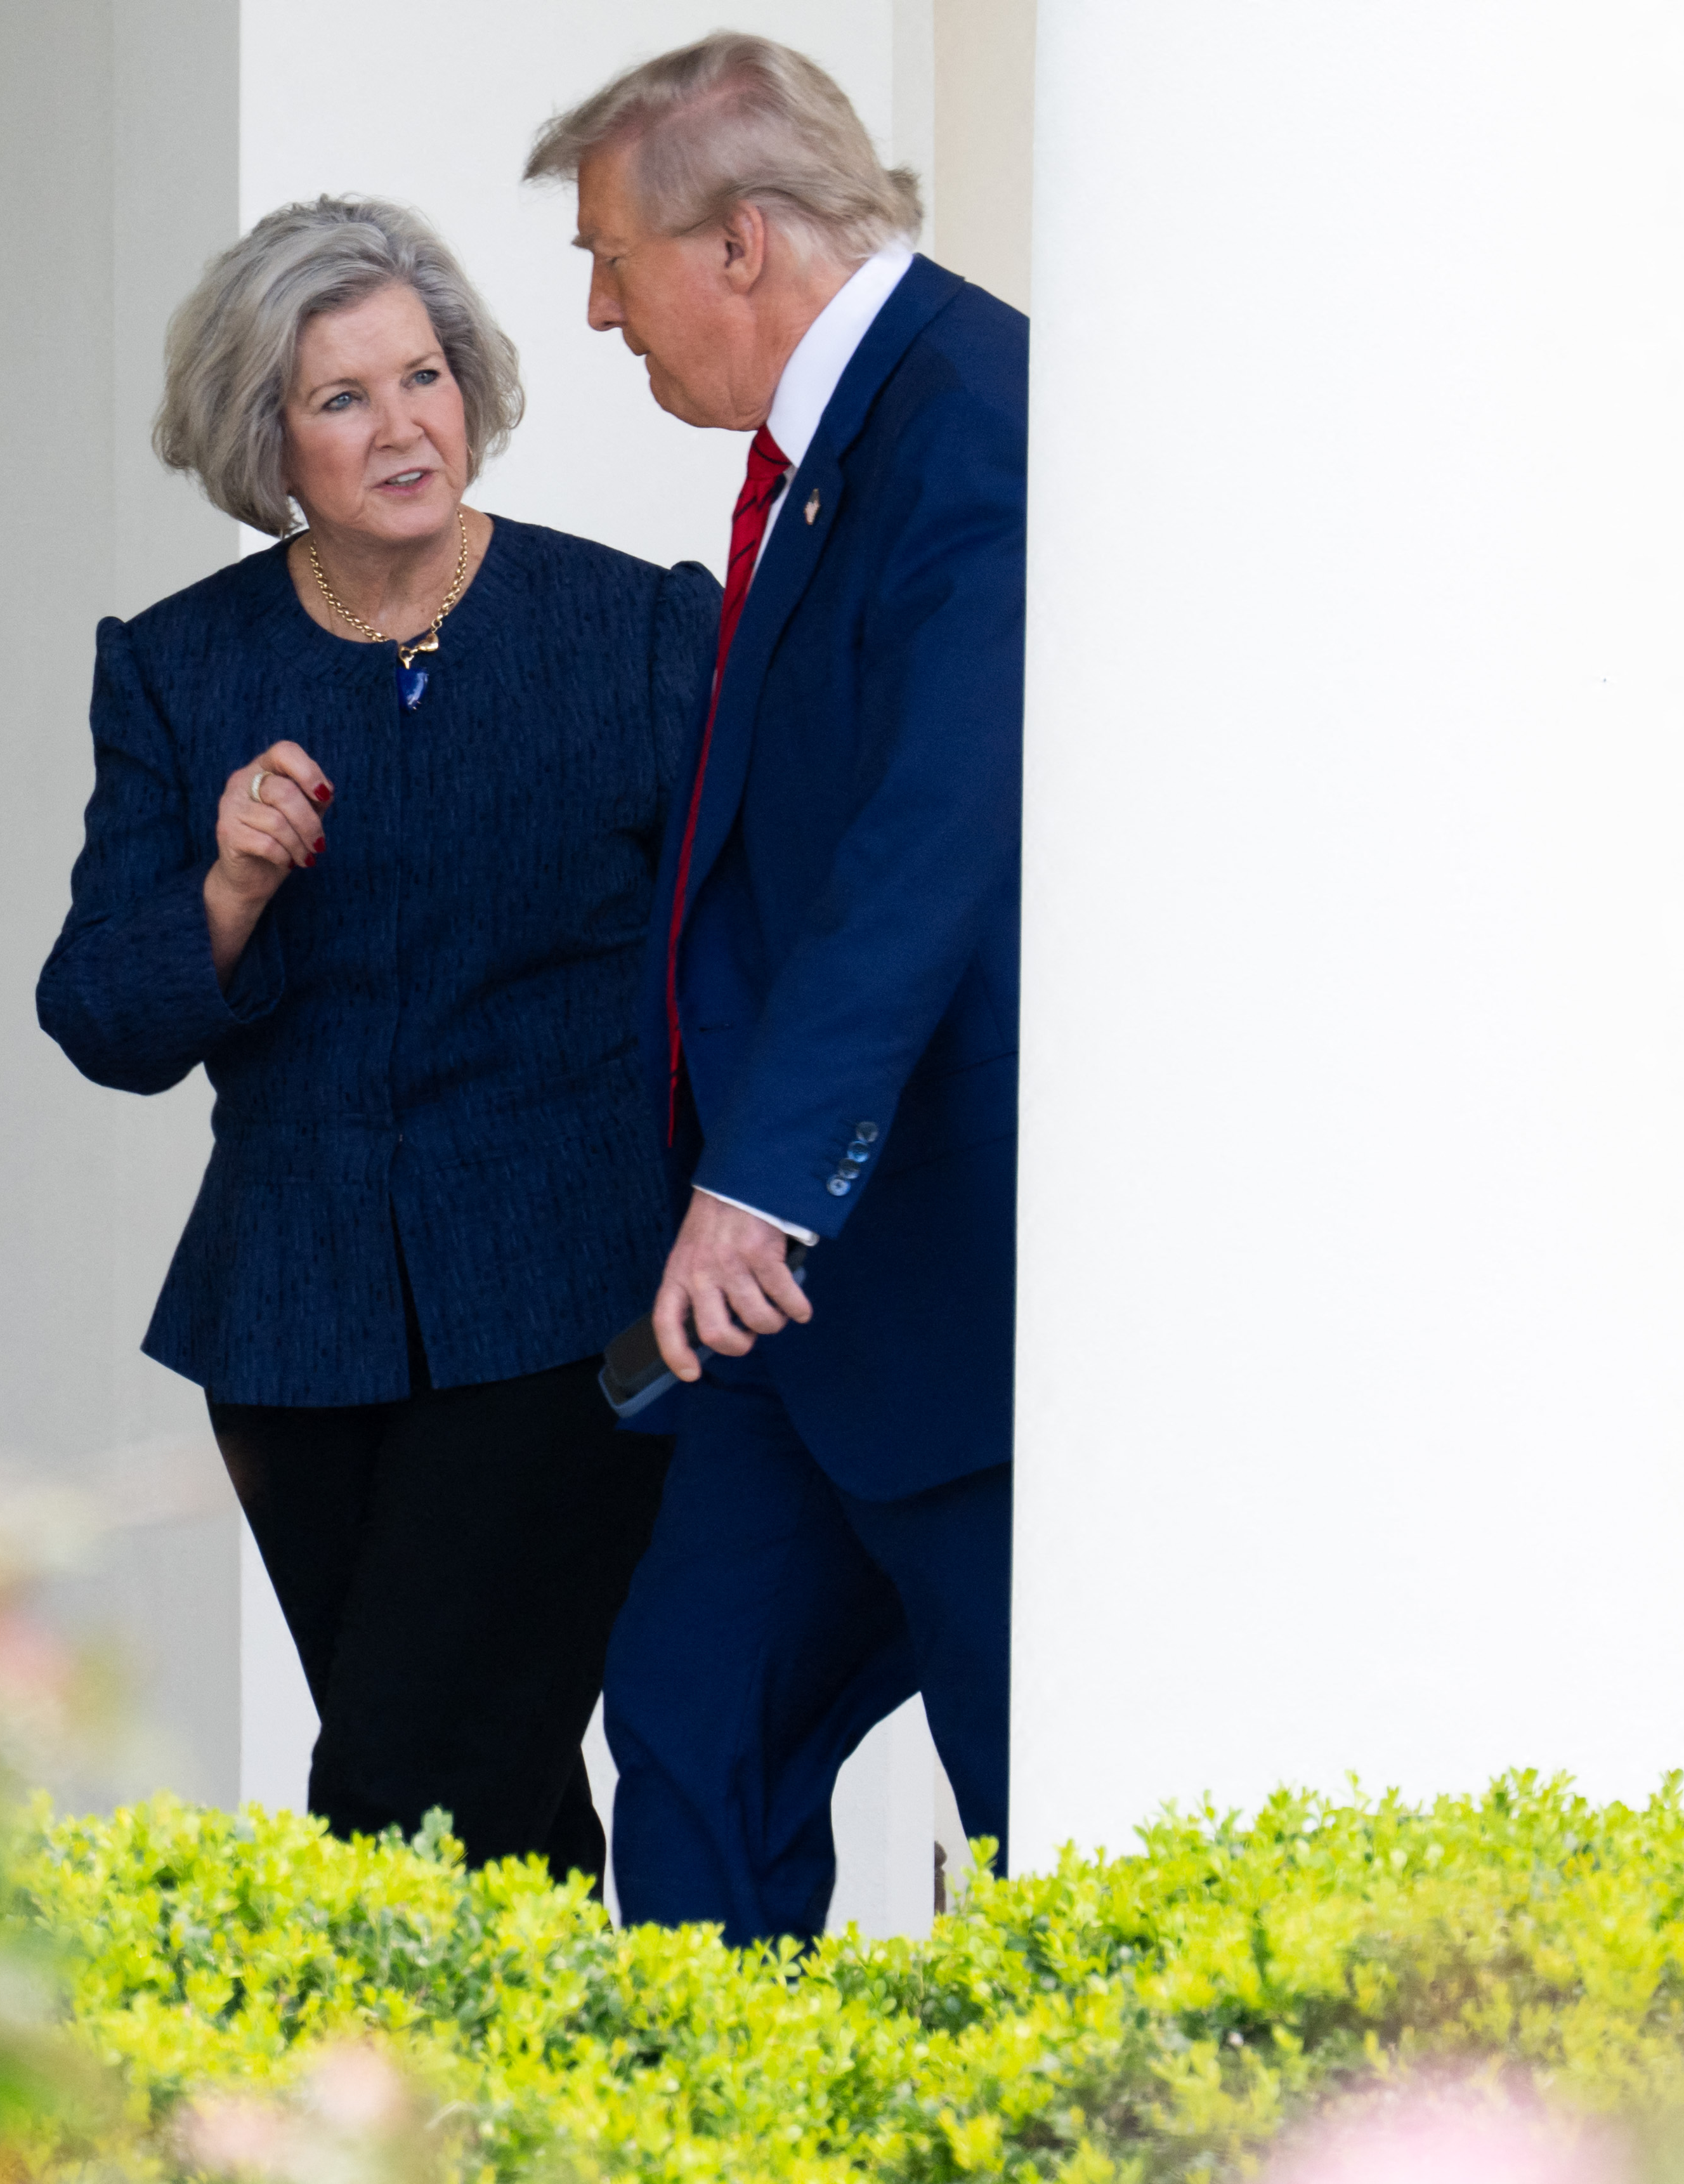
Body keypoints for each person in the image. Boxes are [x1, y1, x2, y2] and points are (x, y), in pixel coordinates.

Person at [36, 196, 717, 1881]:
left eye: (425, 375)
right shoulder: (182, 669)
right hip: (295, 1323)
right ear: (265, 432)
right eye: (342, 397)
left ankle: (361, 2113)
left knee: (410, 1781)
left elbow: (746, 958)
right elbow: (104, 1014)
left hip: (573, 1299)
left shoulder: (634, 634)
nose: (403, 423)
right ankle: (548, 2125)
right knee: (485, 1788)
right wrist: (229, 884)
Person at [525, 33, 1026, 1942]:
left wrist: (765, 1175)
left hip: (931, 1269)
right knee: (689, 1722)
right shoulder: (835, 447)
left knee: (1038, 1797)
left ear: (740, 243)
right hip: (786, 1301)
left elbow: (933, 849)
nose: (593, 311)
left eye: (607, 257)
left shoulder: (975, 421)